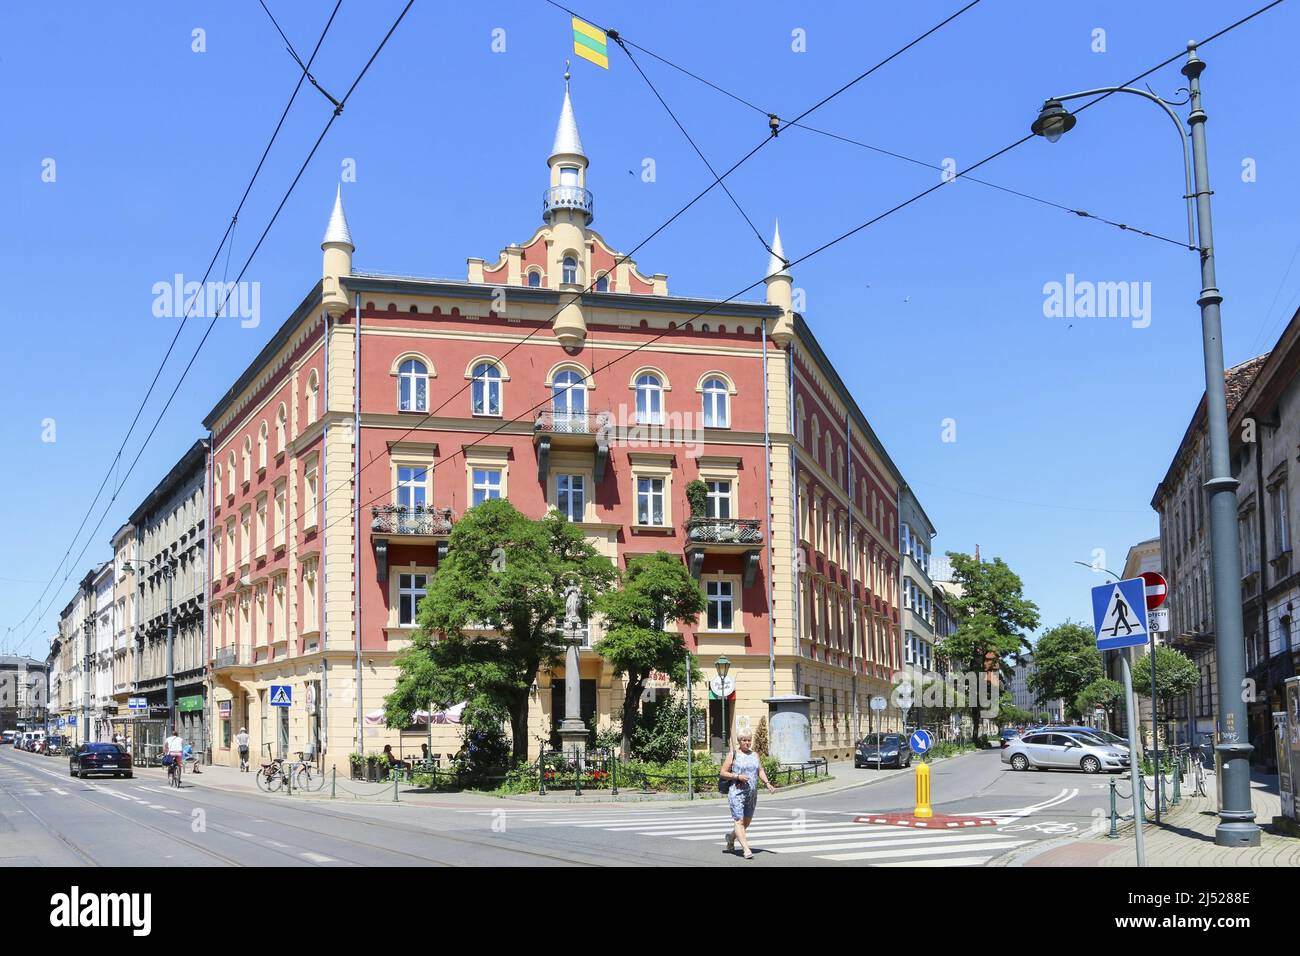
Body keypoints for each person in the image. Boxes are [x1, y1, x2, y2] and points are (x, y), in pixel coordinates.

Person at [720, 733, 776, 859]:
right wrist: (737, 776)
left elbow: (760, 770)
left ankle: (730, 837)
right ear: (739, 741)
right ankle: (746, 849)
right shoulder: (733, 754)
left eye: (749, 740)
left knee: (746, 822)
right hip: (737, 792)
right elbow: (723, 773)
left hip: (751, 793)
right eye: (744, 740)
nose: (747, 742)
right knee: (739, 821)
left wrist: (767, 783)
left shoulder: (755, 755)